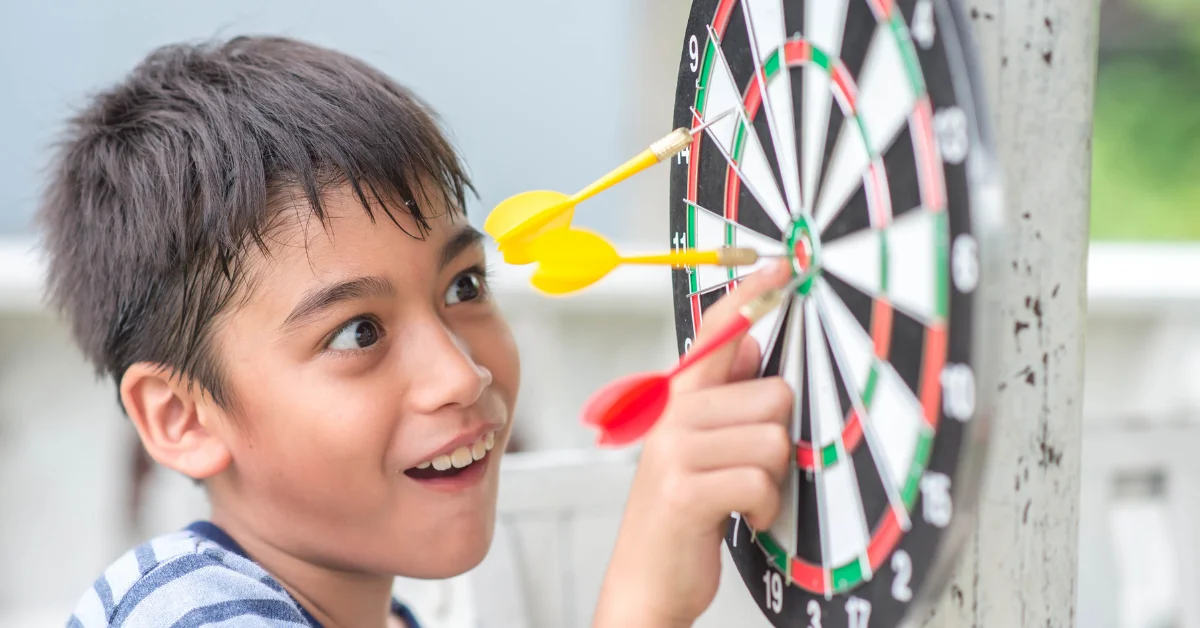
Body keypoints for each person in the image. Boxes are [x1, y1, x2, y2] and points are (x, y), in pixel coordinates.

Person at [41, 36, 793, 628]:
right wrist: (642, 605)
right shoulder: (182, 610)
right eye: (357, 333)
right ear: (182, 418)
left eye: (464, 287)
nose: (461, 374)